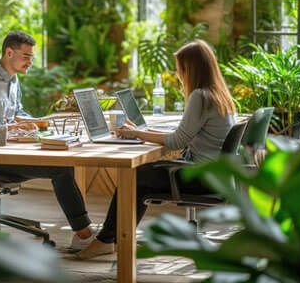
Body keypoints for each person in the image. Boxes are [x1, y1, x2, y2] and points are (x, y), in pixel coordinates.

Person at [77, 39, 236, 259]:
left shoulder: (200, 96)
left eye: (180, 69)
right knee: (143, 173)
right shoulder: (219, 95)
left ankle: (107, 240)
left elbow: (176, 141)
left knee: (134, 176)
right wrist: (143, 130)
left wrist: (137, 134)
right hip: (215, 175)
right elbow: (185, 134)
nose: (178, 74)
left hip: (200, 177)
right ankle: (111, 237)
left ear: (190, 69)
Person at [0, 31, 94, 250]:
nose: (30, 62)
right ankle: (84, 234)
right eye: (26, 56)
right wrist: (7, 128)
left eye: (32, 57)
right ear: (9, 52)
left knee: (64, 160)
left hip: (10, 150)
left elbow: (16, 111)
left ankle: (83, 232)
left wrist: (38, 122)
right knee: (60, 168)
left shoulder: (13, 78)